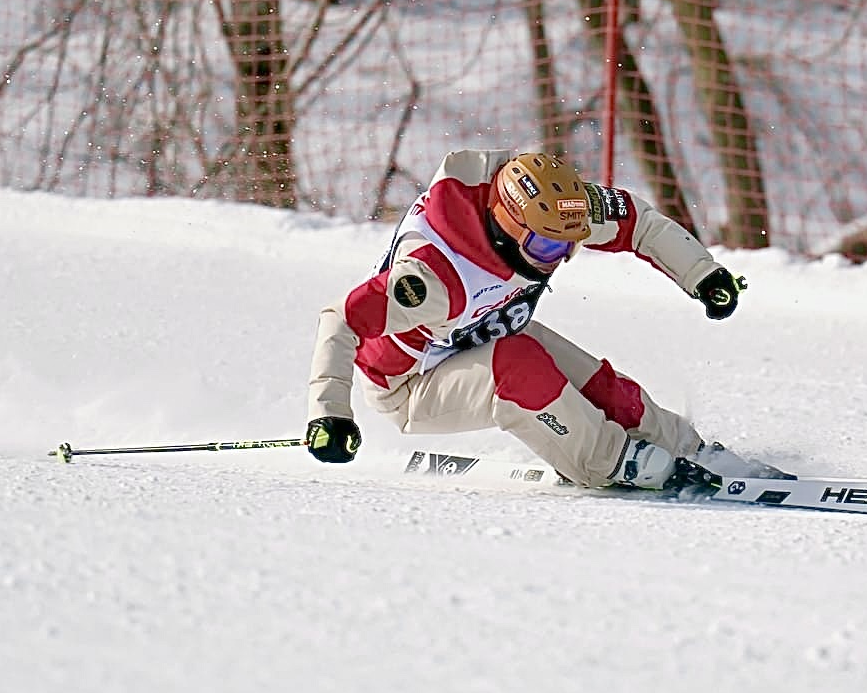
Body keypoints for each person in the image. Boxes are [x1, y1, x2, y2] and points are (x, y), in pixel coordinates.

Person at [304, 149, 744, 490]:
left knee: (598, 387)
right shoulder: (435, 277)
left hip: (479, 330)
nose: (559, 259)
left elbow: (638, 223)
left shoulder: (553, 209)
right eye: (549, 250)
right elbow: (341, 320)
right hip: (411, 382)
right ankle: (609, 461)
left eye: (569, 245)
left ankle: (687, 448)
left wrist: (702, 274)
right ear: (506, 225)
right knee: (520, 365)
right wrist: (330, 416)